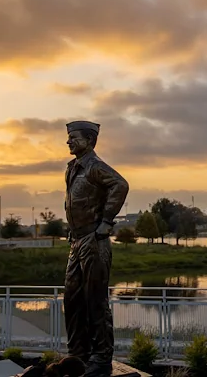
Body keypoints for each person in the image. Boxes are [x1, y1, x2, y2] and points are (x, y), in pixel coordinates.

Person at [63, 120, 129, 377]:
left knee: (95, 300)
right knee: (72, 298)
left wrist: (106, 222)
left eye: (73, 137)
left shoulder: (94, 166)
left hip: (94, 240)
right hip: (77, 241)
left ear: (89, 141)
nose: (68, 141)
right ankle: (77, 355)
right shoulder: (73, 168)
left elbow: (120, 185)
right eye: (68, 137)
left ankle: (101, 358)